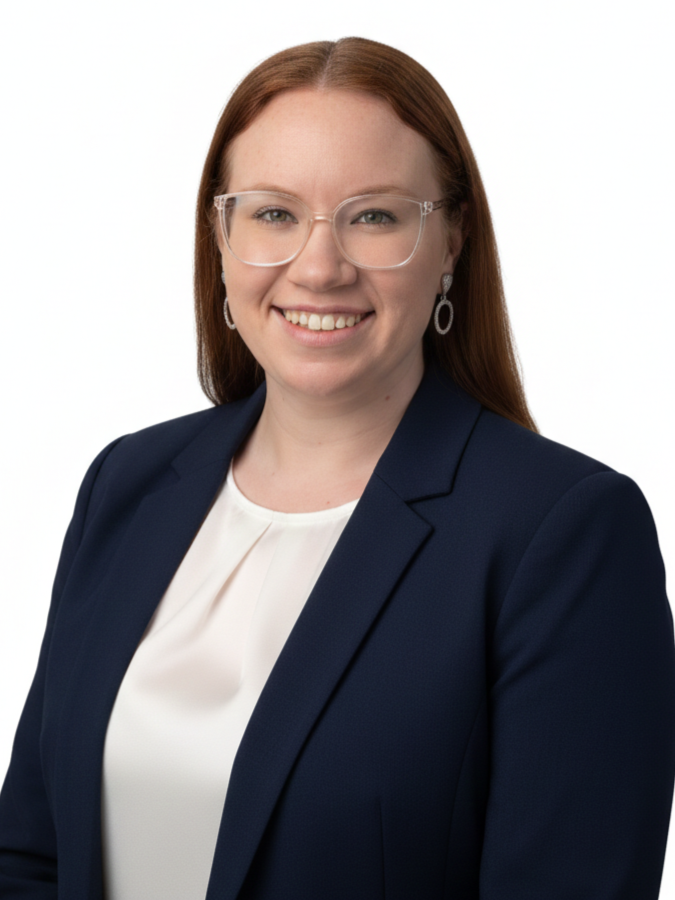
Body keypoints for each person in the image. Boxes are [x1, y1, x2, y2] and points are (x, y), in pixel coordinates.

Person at [1, 36, 674, 900]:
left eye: (375, 216)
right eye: (273, 214)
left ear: (452, 241)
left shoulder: (563, 532)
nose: (318, 267)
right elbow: (31, 854)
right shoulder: (127, 485)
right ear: (220, 236)